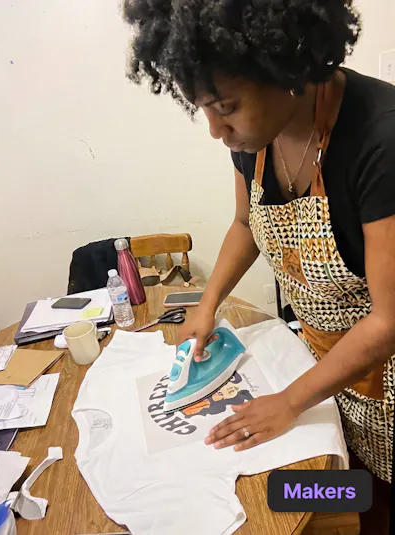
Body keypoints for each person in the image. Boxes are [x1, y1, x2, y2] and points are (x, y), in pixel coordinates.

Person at [123, 1, 395, 532]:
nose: (215, 130)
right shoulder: (253, 138)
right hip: (320, 359)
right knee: (344, 490)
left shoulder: (380, 140)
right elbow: (246, 224)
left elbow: (387, 322)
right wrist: (208, 304)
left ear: (287, 69)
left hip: (387, 373)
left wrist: (290, 402)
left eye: (225, 106)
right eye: (203, 109)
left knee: (380, 499)